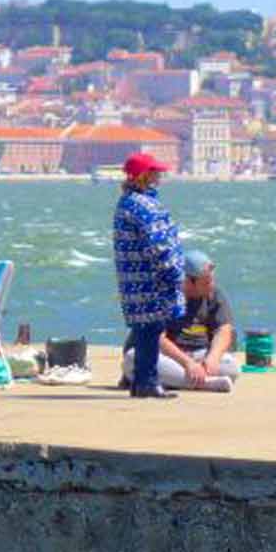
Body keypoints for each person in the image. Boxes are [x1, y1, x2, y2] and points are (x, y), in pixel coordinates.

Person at [111, 151, 185, 399]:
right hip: (150, 280)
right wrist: (175, 275)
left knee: (145, 329)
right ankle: (147, 382)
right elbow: (159, 245)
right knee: (150, 329)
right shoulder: (144, 205)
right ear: (144, 176)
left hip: (134, 280)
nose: (159, 176)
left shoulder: (127, 202)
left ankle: (142, 381)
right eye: (155, 172)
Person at [123, 249, 241, 391]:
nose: (211, 285)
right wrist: (187, 364)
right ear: (188, 282)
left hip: (199, 355)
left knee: (232, 366)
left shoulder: (214, 294)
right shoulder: (165, 296)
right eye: (206, 282)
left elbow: (224, 330)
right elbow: (157, 338)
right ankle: (203, 383)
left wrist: (213, 359)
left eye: (211, 280)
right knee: (132, 359)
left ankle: (180, 380)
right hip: (169, 356)